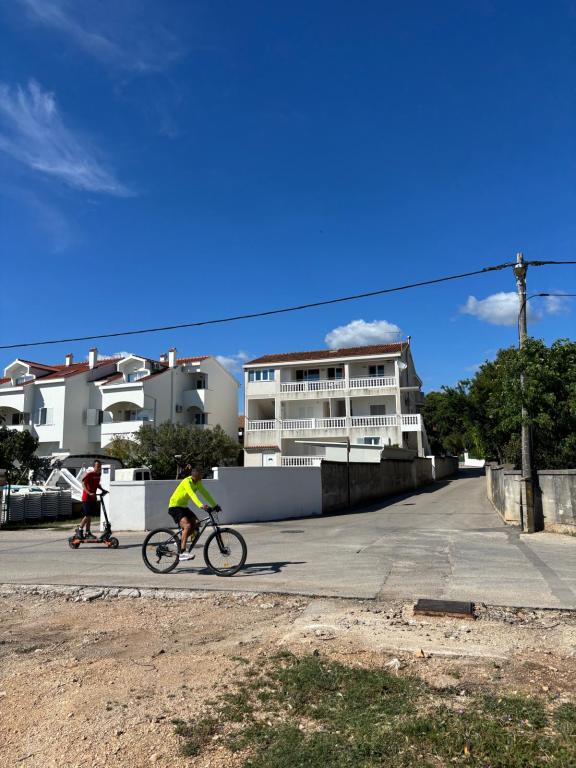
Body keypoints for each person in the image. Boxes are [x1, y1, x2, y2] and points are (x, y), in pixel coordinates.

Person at [168, 466, 219, 561]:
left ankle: (180, 542)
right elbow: (192, 495)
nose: (202, 477)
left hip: (183, 507)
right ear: (195, 475)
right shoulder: (186, 482)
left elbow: (205, 493)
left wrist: (215, 505)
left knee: (197, 523)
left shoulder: (198, 483)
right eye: (201, 475)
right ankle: (182, 553)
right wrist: (201, 505)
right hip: (174, 506)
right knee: (187, 526)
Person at [76, 460, 105, 541]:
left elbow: (96, 484)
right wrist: (89, 493)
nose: (99, 468)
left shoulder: (99, 475)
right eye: (98, 466)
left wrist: (103, 490)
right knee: (87, 515)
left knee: (89, 516)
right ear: (94, 467)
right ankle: (79, 529)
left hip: (93, 498)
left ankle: (88, 532)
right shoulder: (90, 474)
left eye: (100, 466)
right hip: (86, 498)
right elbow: (83, 483)